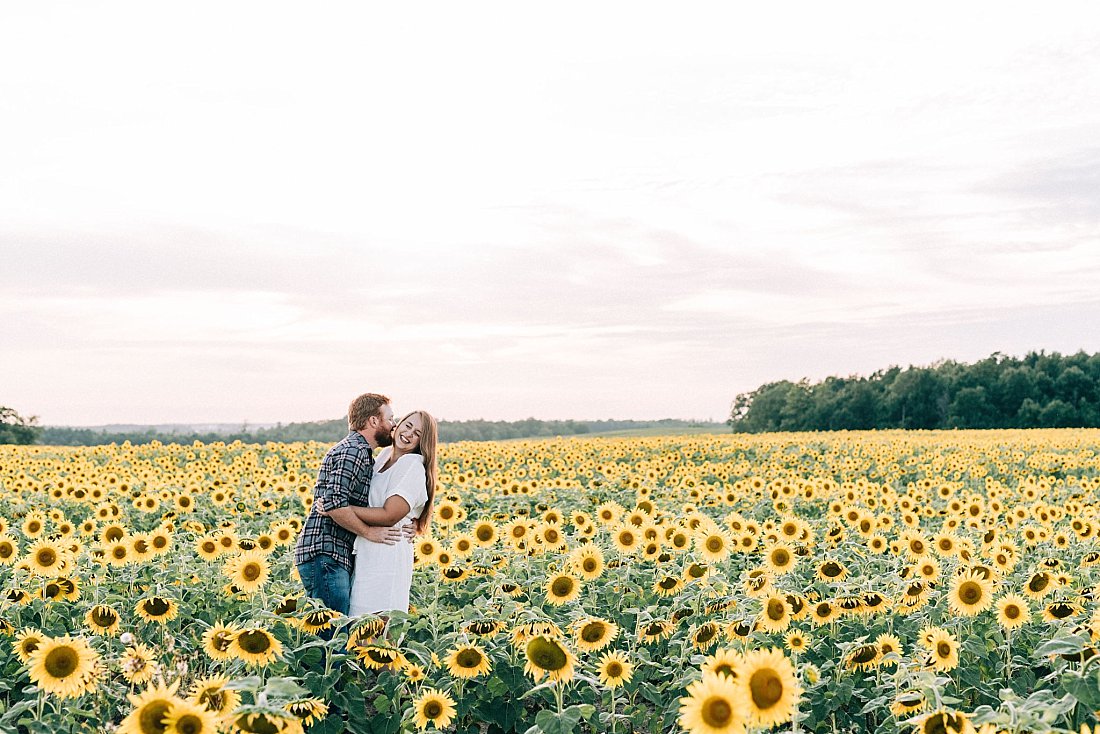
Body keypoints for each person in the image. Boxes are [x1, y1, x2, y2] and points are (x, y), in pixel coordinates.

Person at [294, 393, 412, 618]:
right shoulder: (353, 451)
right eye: (390, 418)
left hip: (330, 554)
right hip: (326, 553)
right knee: (332, 638)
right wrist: (369, 532)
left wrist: (411, 522)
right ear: (374, 421)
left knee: (334, 633)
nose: (394, 425)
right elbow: (334, 504)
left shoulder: (361, 452)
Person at [319, 410, 438, 615]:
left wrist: (337, 508)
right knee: (358, 627)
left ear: (423, 441)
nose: (408, 434)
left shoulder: (412, 466)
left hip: (387, 554)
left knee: (378, 630)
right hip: (366, 552)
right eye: (407, 425)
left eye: (417, 433)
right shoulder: (383, 456)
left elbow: (389, 515)